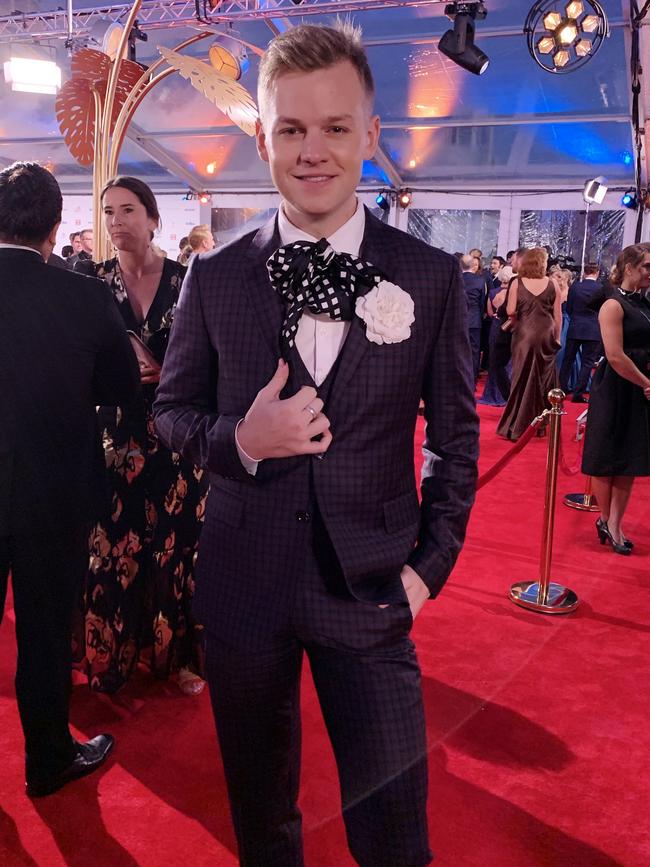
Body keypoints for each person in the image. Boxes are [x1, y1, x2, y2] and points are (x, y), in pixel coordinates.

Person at [154, 22, 479, 867]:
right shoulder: (215, 275)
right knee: (264, 826)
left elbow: (455, 437)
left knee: (396, 834)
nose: (313, 150)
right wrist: (245, 442)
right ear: (262, 136)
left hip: (372, 592)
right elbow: (172, 412)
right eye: (292, 129)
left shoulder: (429, 276)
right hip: (242, 589)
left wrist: (427, 571)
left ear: (370, 136)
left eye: (336, 127)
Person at [0, 161, 140, 796]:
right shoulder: (83, 297)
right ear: (57, 228)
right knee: (45, 628)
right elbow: (118, 390)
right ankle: (48, 757)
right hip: (52, 488)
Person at [73, 176, 208, 696]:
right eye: (108, 212)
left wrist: (164, 369)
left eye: (128, 210)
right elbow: (76, 361)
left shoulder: (189, 280)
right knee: (113, 546)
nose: (116, 222)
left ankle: (177, 659)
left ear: (153, 219)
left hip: (179, 436)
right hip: (115, 435)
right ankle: (112, 656)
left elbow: (210, 360)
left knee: (177, 548)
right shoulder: (91, 283)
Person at [582, 244, 650, 555]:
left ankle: (615, 523)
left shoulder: (645, 303)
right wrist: (646, 382)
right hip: (615, 386)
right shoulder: (613, 305)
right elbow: (614, 355)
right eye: (647, 266)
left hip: (639, 387)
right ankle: (605, 519)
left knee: (630, 457)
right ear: (629, 267)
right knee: (605, 454)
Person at [497, 247, 562, 441]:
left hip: (524, 333)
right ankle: (538, 424)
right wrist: (557, 339)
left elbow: (510, 310)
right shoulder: (553, 284)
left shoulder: (517, 282)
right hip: (545, 334)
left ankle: (515, 424)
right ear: (542, 263)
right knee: (541, 379)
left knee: (521, 377)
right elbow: (557, 316)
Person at [559, 263, 602, 402]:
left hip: (575, 327)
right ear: (597, 272)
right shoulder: (601, 288)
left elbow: (569, 308)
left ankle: (561, 389)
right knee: (587, 363)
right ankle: (578, 393)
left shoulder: (575, 287)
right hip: (593, 329)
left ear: (584, 272)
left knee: (568, 360)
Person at [479, 264, 513, 406]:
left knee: (494, 361)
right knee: (507, 363)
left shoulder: (493, 292)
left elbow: (490, 312)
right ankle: (505, 395)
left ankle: (491, 394)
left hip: (495, 327)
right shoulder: (513, 293)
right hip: (508, 328)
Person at [461, 253, 485, 383]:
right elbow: (482, 303)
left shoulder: (457, 278)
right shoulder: (480, 281)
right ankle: (472, 380)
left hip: (458, 320)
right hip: (474, 321)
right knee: (474, 353)